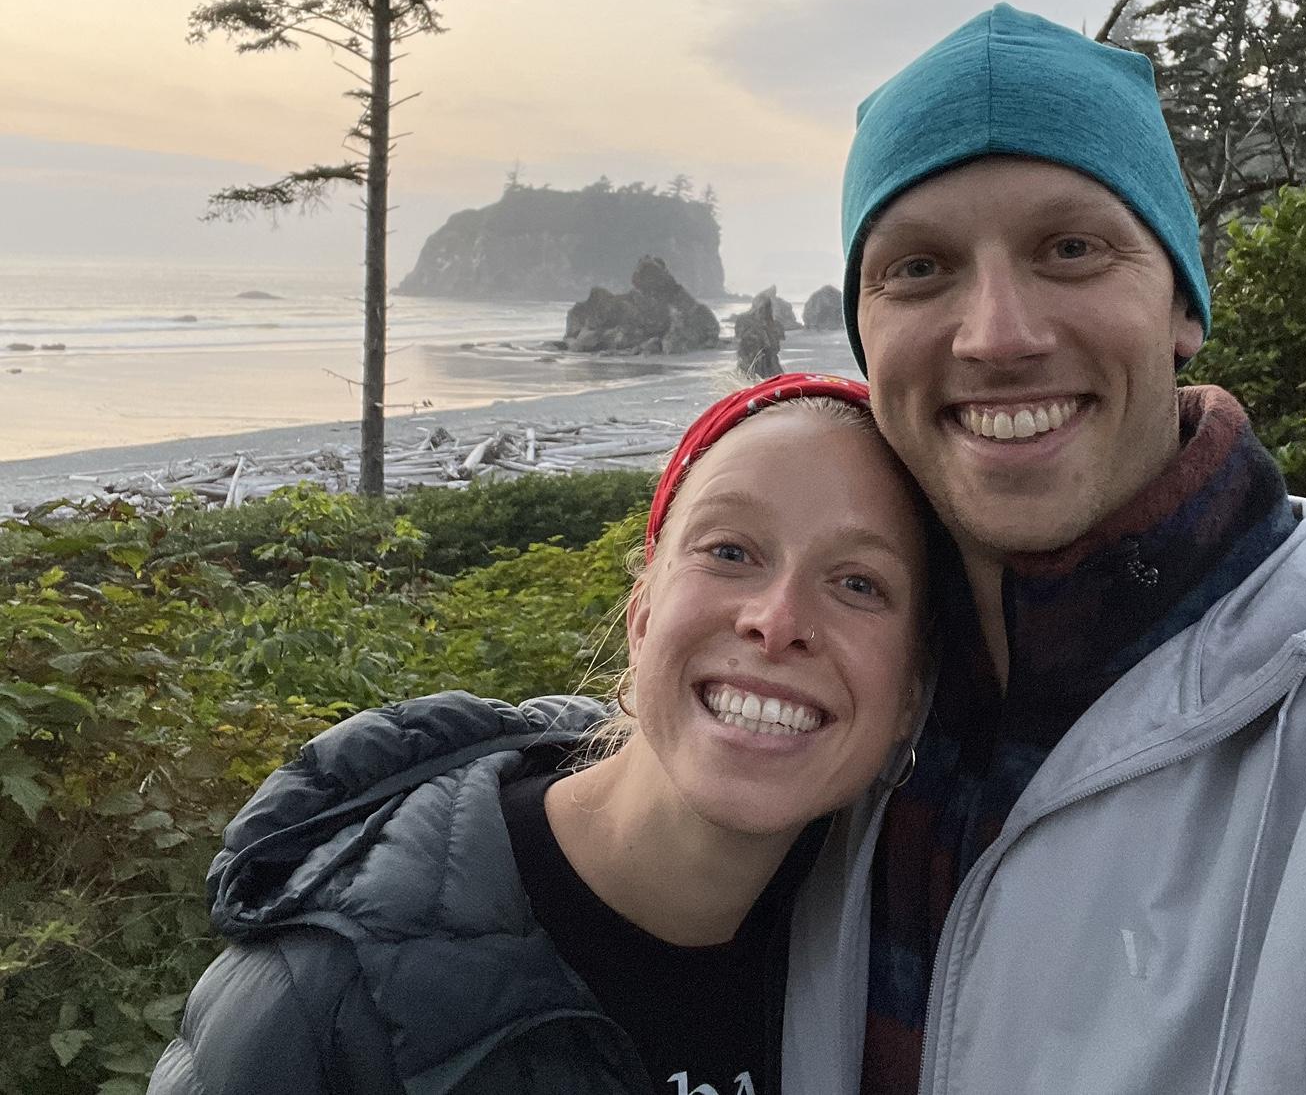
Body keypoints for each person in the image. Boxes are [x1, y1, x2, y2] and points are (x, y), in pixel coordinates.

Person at [781, 4, 1306, 1094]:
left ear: (1182, 307)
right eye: (920, 269)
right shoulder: (837, 696)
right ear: (865, 339)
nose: (998, 335)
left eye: (1071, 248)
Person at [148, 373, 930, 1095]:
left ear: (913, 697)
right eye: (730, 551)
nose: (777, 620)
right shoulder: (330, 999)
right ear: (643, 617)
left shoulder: (904, 978)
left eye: (859, 584)